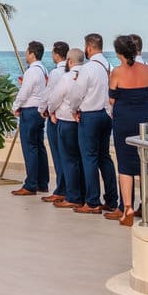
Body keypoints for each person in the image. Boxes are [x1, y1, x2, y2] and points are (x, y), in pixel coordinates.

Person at [108, 34, 148, 227]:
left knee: (125, 165)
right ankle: (147, 206)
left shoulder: (117, 72)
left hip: (124, 119)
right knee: (145, 162)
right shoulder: (146, 69)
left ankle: (128, 208)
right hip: (144, 117)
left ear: (118, 52)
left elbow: (111, 99)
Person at [75, 32, 117, 215]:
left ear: (89, 47)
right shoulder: (110, 66)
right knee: (104, 157)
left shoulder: (88, 68)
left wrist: (73, 109)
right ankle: (111, 200)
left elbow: (77, 93)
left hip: (90, 116)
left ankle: (92, 201)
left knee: (89, 158)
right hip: (107, 115)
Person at [48, 48, 85, 209]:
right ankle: (82, 193)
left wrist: (50, 111)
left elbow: (55, 98)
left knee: (68, 160)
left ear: (69, 61)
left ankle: (72, 195)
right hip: (82, 122)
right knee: (80, 160)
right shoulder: (87, 75)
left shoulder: (67, 77)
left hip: (67, 120)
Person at [12, 40, 49, 198]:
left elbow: (25, 92)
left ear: (32, 54)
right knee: (39, 146)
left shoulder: (32, 71)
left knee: (30, 147)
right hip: (39, 110)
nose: (25, 54)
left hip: (30, 110)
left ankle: (31, 184)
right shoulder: (43, 69)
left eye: (27, 51)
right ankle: (42, 182)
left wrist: (15, 106)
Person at [42, 39, 69, 199]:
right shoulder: (72, 71)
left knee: (59, 155)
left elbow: (50, 95)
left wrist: (45, 110)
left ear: (56, 54)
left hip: (56, 116)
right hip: (69, 117)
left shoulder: (56, 73)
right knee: (69, 155)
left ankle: (61, 189)